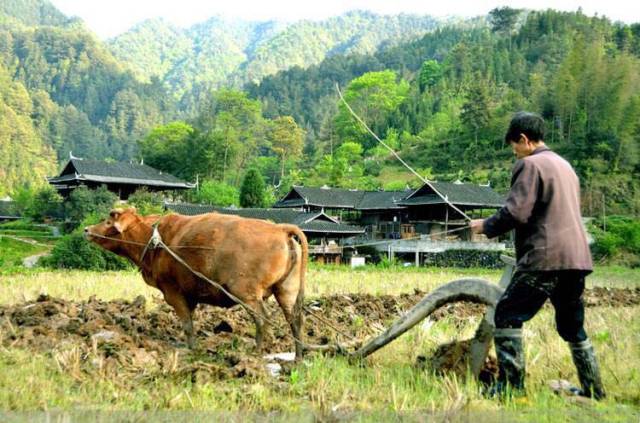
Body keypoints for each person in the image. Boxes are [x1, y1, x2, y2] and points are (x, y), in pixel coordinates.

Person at [470, 111, 605, 400]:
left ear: (523, 140)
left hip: (545, 257)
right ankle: (594, 391)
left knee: (506, 313)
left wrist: (484, 226)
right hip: (576, 259)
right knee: (572, 326)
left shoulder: (530, 165)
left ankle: (511, 388)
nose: (515, 154)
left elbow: (517, 212)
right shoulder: (564, 165)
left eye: (514, 147)